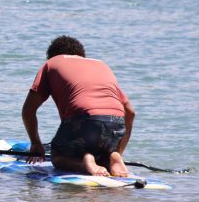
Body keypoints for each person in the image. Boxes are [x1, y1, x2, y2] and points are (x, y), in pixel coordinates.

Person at [21, 35, 135, 177]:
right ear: (81, 55)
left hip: (84, 120)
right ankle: (113, 156)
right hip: (116, 123)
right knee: (101, 152)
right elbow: (130, 112)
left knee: (58, 157)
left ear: (51, 55)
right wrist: (118, 149)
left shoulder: (51, 63)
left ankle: (83, 162)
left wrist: (36, 143)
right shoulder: (101, 64)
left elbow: (28, 110)